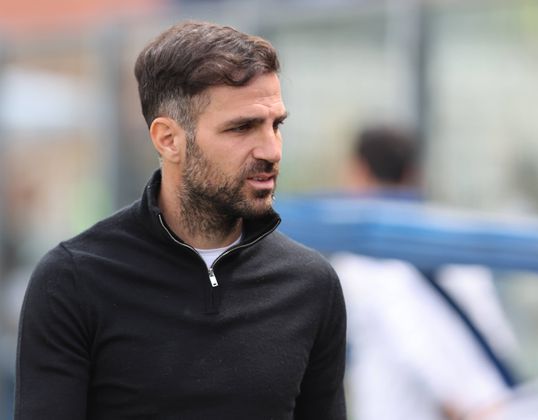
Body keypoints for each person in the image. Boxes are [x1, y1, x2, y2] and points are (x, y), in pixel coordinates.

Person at [14, 21, 347, 420]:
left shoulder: (310, 284)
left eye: (276, 125)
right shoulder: (73, 281)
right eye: (242, 127)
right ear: (168, 139)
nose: (271, 150)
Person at [331, 124, 518, 420]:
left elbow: (423, 354)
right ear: (413, 174)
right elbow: (495, 336)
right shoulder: (451, 238)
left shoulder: (361, 263)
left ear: (359, 173)